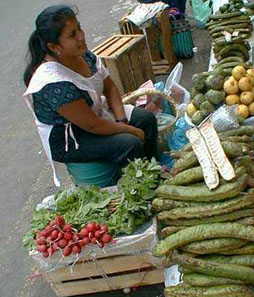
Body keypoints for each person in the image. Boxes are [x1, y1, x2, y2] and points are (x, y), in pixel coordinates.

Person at [23, 5, 159, 186]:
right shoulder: (53, 84)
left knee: (146, 119)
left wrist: (121, 120)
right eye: (72, 35)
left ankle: (154, 172)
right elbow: (93, 126)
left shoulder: (84, 55)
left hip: (95, 115)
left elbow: (110, 88)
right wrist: (130, 130)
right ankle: (140, 187)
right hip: (71, 138)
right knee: (130, 144)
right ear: (54, 47)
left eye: (79, 28)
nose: (81, 36)